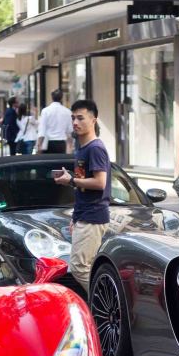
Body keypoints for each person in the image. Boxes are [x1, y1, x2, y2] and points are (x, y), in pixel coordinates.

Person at [53, 99, 110, 295]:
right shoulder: (82, 148)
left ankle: (105, 302)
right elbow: (82, 185)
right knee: (85, 266)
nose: (75, 122)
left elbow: (100, 182)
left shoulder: (95, 148)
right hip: (84, 215)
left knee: (79, 268)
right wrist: (75, 217)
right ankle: (103, 306)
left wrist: (71, 180)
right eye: (73, 118)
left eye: (80, 118)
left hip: (94, 216)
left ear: (93, 120)